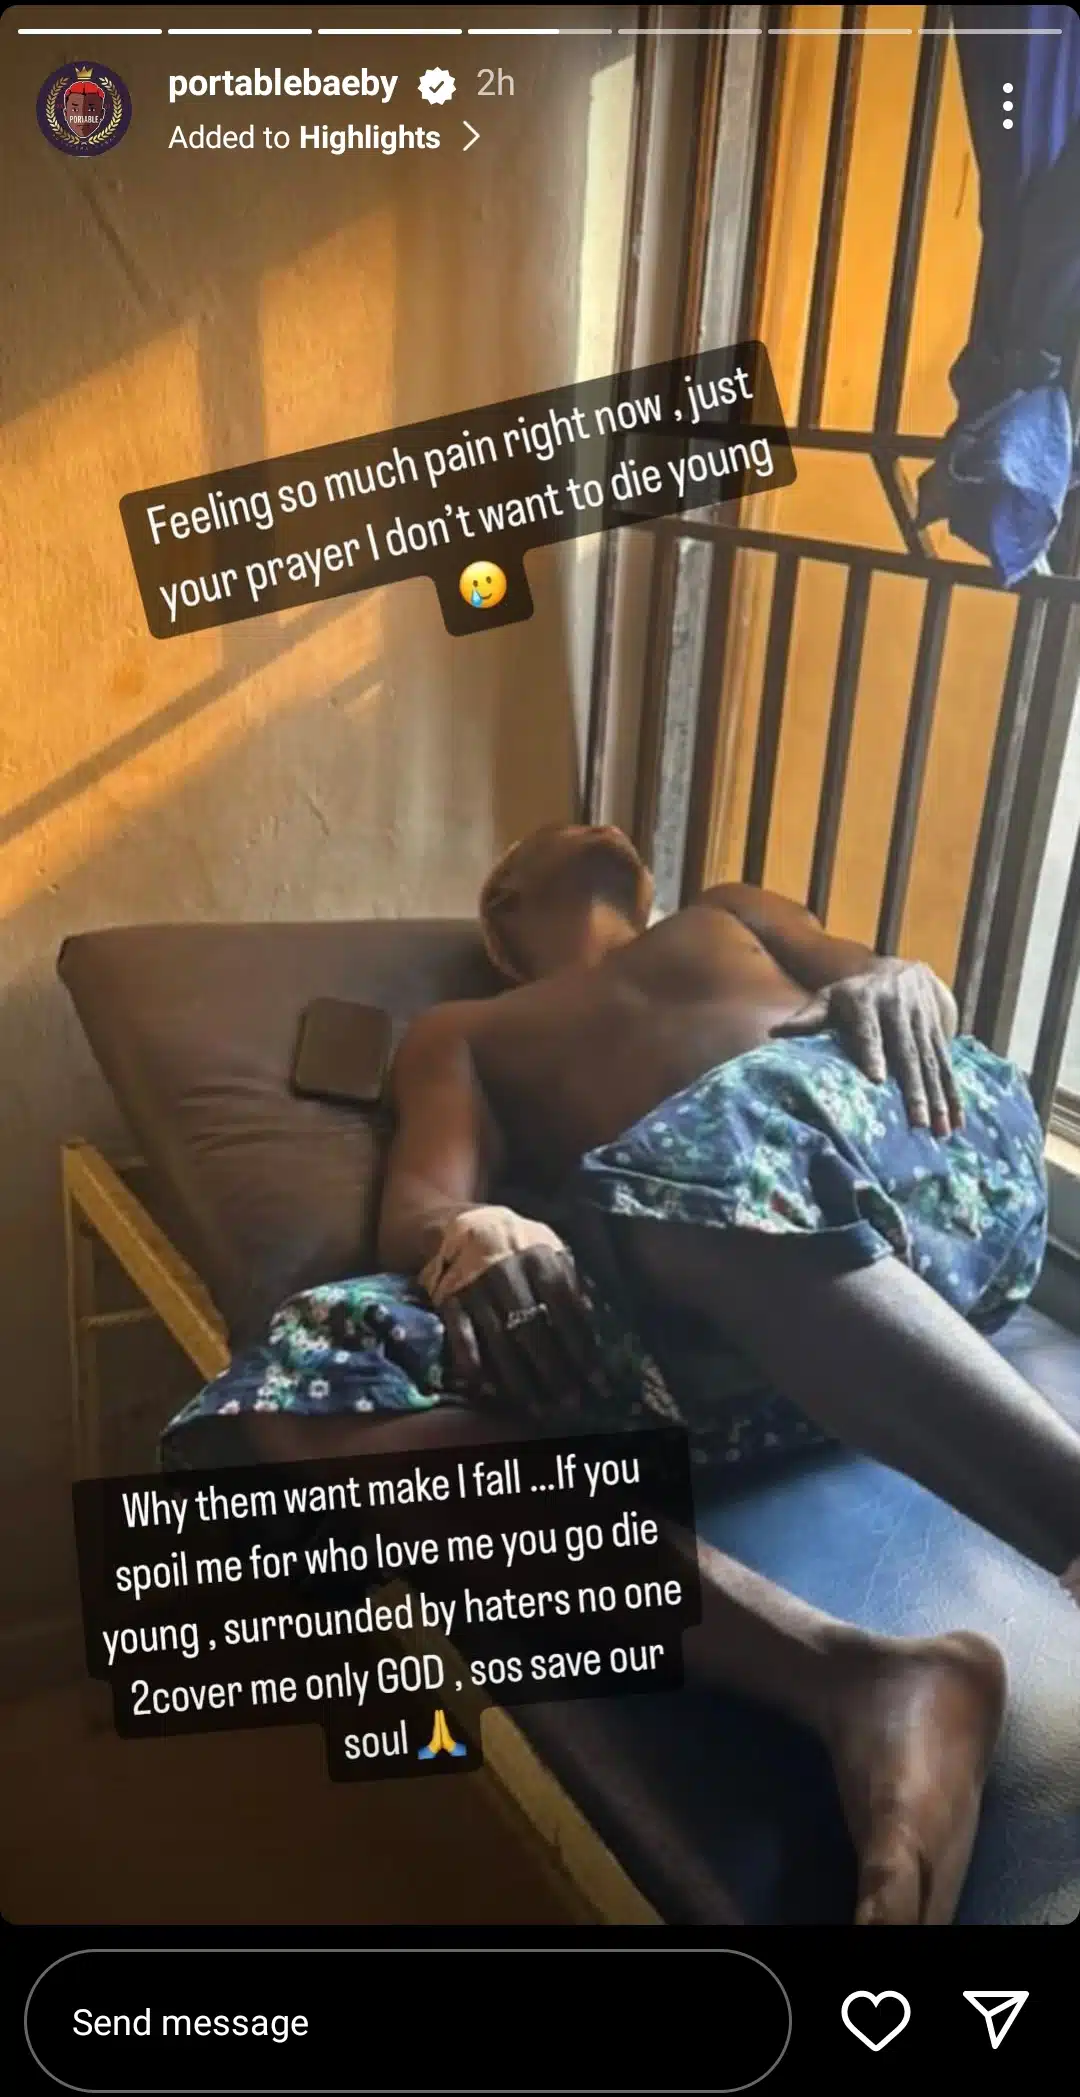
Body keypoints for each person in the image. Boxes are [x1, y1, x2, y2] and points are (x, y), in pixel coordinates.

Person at [249, 822, 1079, 1924]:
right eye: (545, 839)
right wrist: (476, 1228)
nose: (590, 828)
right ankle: (866, 1682)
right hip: (741, 1321)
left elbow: (874, 977)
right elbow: (421, 1203)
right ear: (501, 921)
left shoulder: (730, 910)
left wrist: (903, 978)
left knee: (693, 1158)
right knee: (310, 1375)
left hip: (922, 1167)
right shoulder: (465, 1032)